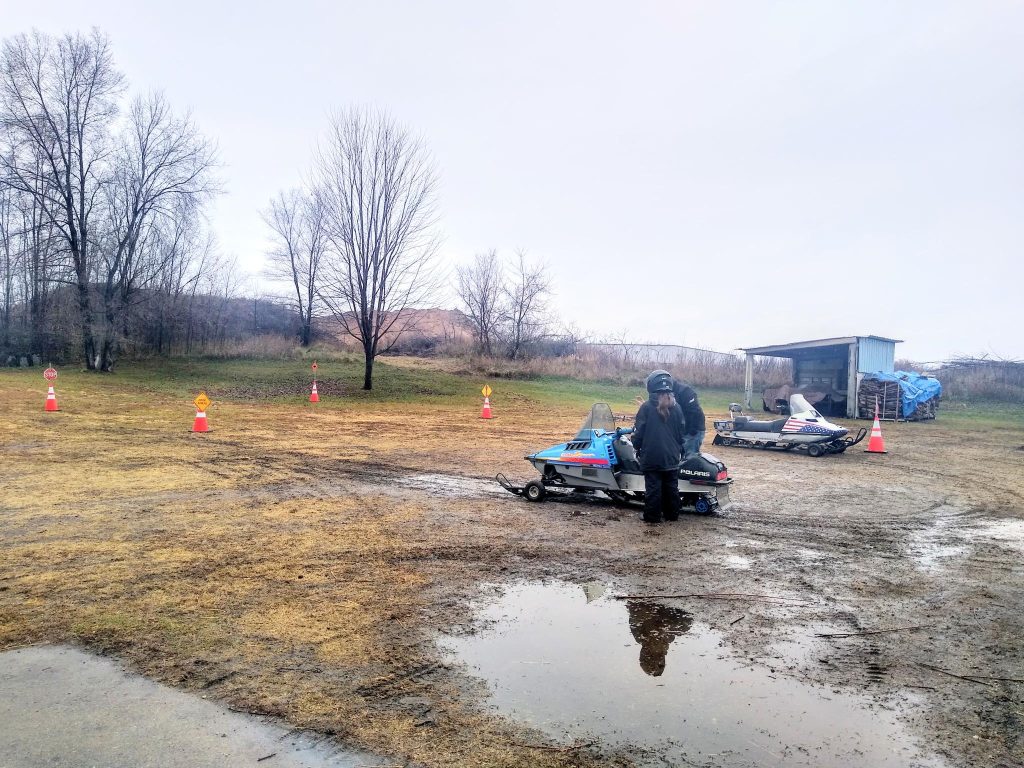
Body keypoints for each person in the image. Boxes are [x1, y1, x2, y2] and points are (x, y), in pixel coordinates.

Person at [631, 371, 685, 523]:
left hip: (652, 456)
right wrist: (680, 450)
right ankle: (672, 515)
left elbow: (639, 432)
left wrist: (636, 445)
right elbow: (682, 433)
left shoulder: (646, 408)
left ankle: (652, 517)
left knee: (653, 488)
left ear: (651, 386)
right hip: (672, 456)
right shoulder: (678, 408)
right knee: (671, 487)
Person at [645, 370, 706, 457]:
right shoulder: (663, 393)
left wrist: (689, 433)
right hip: (680, 428)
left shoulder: (686, 392)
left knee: (689, 456)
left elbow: (694, 413)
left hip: (693, 428)